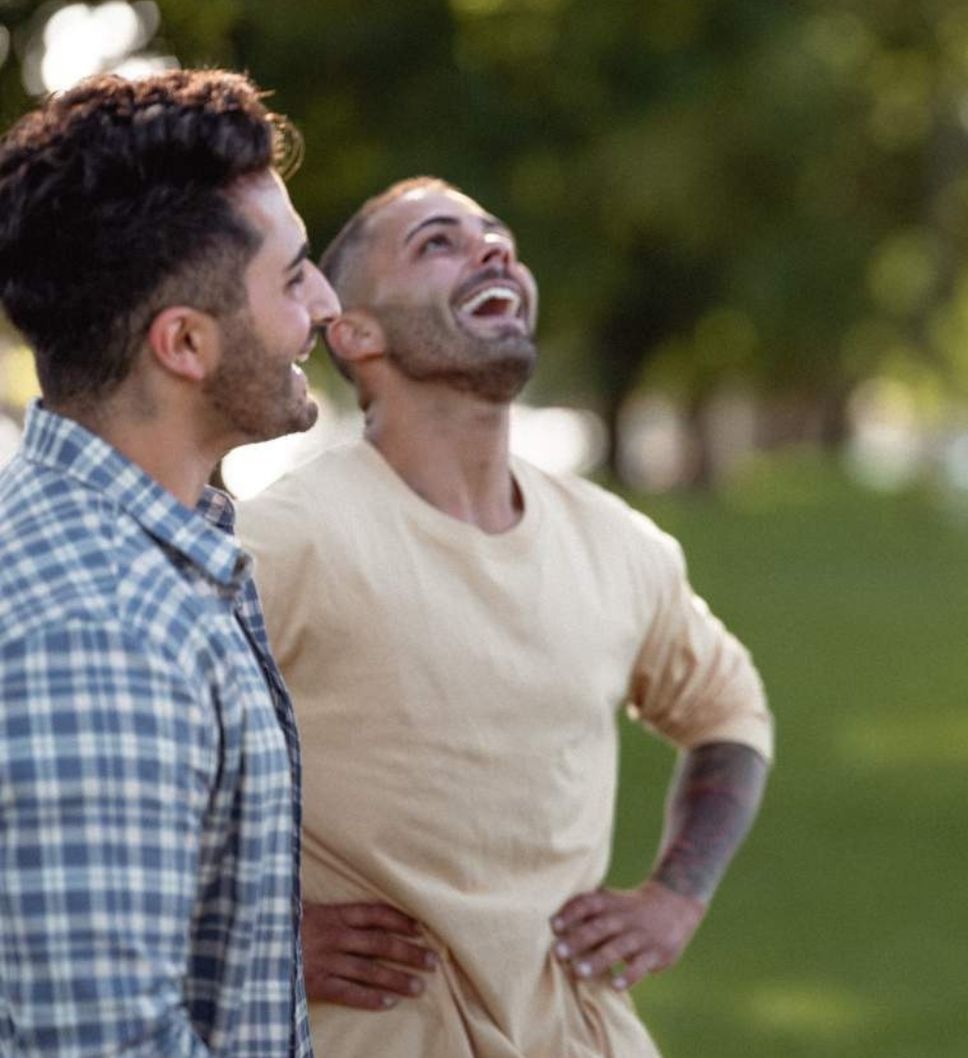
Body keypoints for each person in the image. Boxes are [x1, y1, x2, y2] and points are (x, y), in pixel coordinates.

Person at [236, 176, 772, 1058]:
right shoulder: (283, 542)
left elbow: (730, 714)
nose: (495, 252)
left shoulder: (619, 543)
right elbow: (112, 777)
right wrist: (251, 936)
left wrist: (678, 895)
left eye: (499, 240)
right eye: (437, 243)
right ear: (355, 331)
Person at [0, 71, 338, 1056]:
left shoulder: (162, 562)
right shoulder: (101, 627)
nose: (325, 300)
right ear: (183, 342)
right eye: (292, 276)